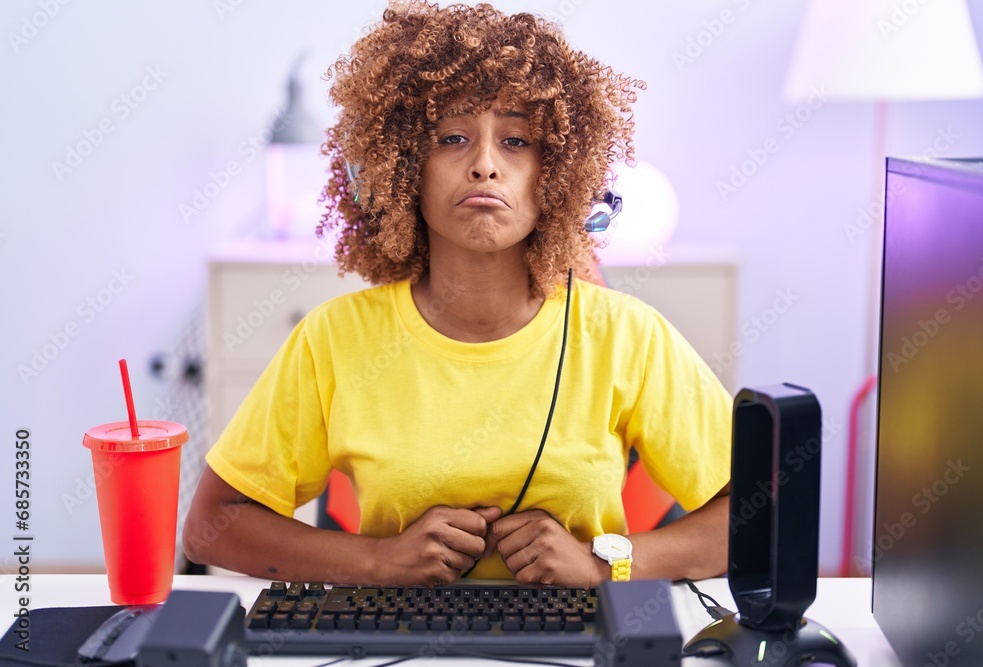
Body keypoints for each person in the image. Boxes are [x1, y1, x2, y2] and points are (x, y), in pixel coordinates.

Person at [184, 0, 732, 588]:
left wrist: (606, 565)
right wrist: (377, 562)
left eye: (517, 141)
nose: (484, 166)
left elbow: (758, 516)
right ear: (402, 169)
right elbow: (213, 524)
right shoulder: (334, 338)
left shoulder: (629, 336)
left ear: (557, 174)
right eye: (451, 137)